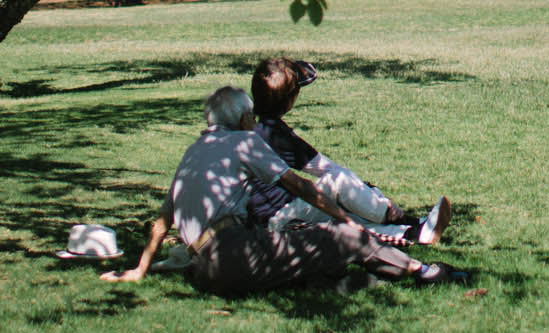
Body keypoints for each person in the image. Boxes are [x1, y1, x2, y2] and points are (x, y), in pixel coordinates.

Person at [102, 85, 464, 295]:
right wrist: (344, 221)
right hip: (233, 254)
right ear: (245, 119)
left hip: (205, 272)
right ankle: (424, 271)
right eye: (251, 118)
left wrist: (139, 270)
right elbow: (301, 187)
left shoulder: (194, 151)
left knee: (307, 259)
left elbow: (161, 223)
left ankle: (350, 280)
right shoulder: (245, 141)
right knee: (343, 239)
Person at [246, 57, 451, 245]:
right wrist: (380, 201)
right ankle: (395, 217)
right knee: (340, 181)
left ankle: (413, 233)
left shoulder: (250, 128)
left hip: (267, 221)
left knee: (346, 217)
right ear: (290, 101)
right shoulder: (275, 133)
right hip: (279, 221)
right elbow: (327, 170)